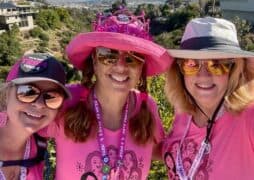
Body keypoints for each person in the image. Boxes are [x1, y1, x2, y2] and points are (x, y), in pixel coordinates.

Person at [42, 6, 173, 180]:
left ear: (142, 67)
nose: (120, 66)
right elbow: (19, 128)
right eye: (108, 55)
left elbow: (156, 150)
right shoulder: (66, 102)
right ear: (94, 61)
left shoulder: (147, 107)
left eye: (132, 58)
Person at [163, 17, 254, 180]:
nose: (203, 75)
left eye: (217, 64)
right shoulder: (183, 114)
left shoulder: (249, 118)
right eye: (191, 64)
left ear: (234, 70)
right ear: (179, 70)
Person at [0, 53, 71, 180]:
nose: (39, 105)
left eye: (51, 97)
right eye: (28, 92)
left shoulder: (38, 147)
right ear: (6, 94)